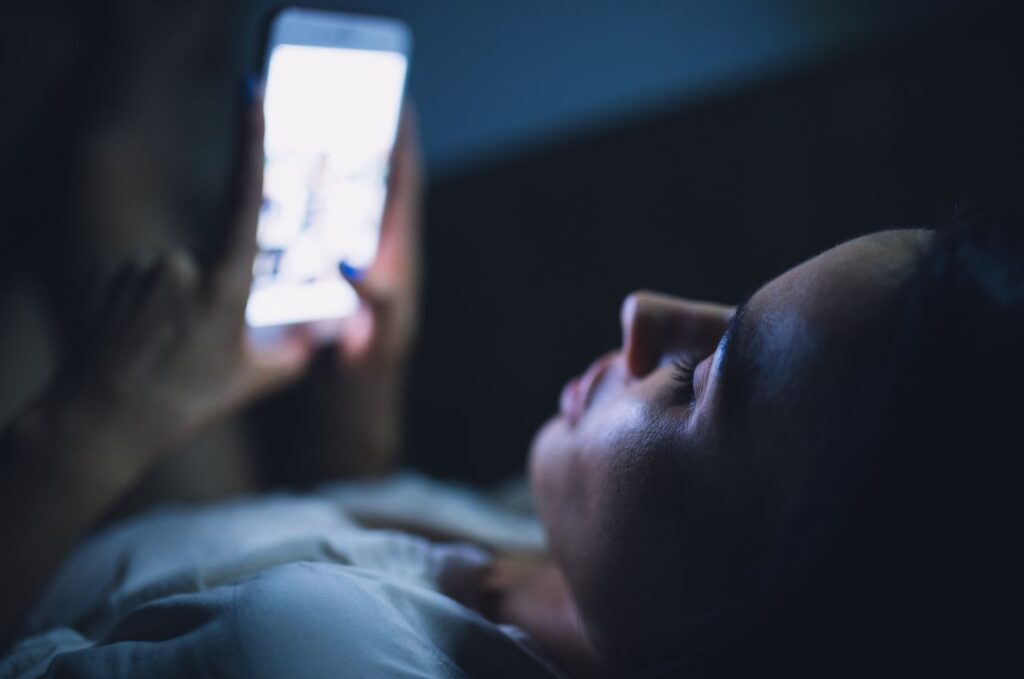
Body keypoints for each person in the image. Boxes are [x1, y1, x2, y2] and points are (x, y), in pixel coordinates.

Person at [1, 94, 1021, 678]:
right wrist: (362, 392)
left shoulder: (326, 658)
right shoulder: (586, 579)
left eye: (702, 377)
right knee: (106, 169)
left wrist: (91, 423)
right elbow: (330, 544)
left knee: (101, 167)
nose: (643, 313)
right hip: (174, 536)